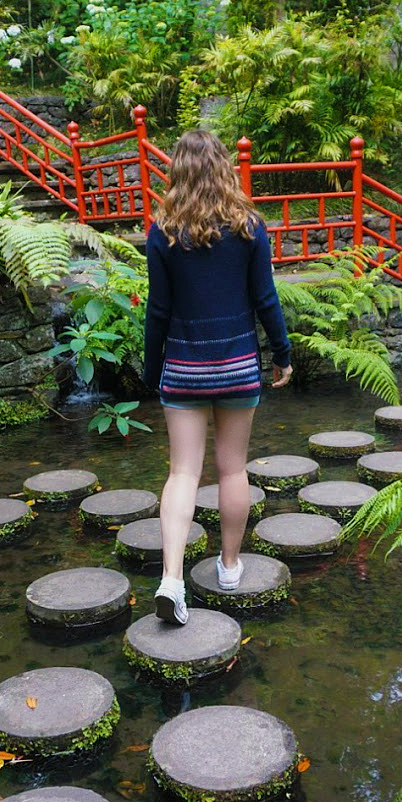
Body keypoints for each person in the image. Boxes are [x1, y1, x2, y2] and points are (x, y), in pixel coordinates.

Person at [142, 129, 293, 625]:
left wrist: (151, 368)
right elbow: (264, 298)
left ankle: (171, 580)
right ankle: (229, 567)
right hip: (237, 366)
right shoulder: (249, 226)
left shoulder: (161, 230)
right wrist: (282, 354)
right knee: (232, 470)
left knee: (182, 473)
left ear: (177, 171)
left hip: (183, 368)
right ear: (226, 167)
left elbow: (158, 311)